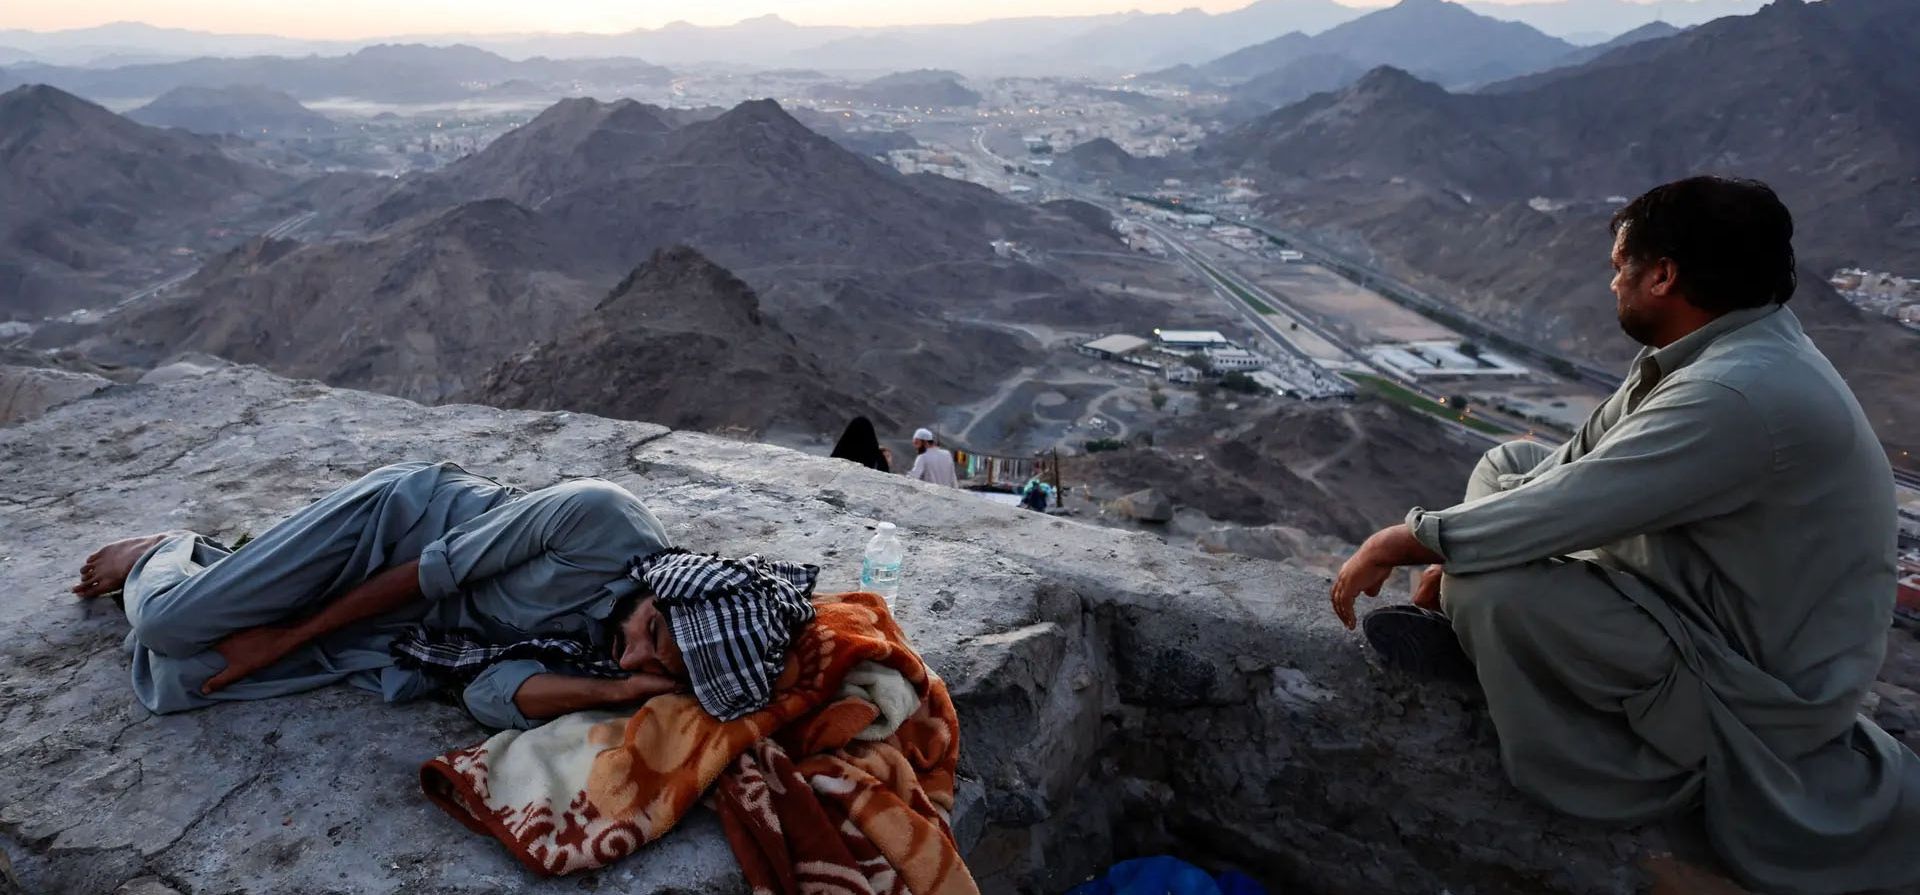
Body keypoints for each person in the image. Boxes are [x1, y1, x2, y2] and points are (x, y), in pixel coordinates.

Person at [1326, 176, 1920, 894]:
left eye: (1619, 266)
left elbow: (1563, 509)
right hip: (1689, 604)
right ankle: (1495, 644)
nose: (1611, 282)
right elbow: (1565, 469)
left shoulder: (1735, 394)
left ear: (1663, 274)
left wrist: (1403, 540)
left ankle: (1628, 754)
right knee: (1506, 464)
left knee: (1493, 587)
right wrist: (1458, 545)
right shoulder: (1713, 351)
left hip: (1746, 695)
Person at [73, 461, 818, 730]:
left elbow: (489, 693)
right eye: (653, 632)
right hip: (390, 536)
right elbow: (428, 571)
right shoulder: (602, 518)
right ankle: (163, 552)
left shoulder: (623, 662)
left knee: (182, 679)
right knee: (167, 624)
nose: (633, 655)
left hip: (411, 628)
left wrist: (621, 692)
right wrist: (284, 640)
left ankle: (228, 572)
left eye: (657, 665)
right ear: (669, 590)